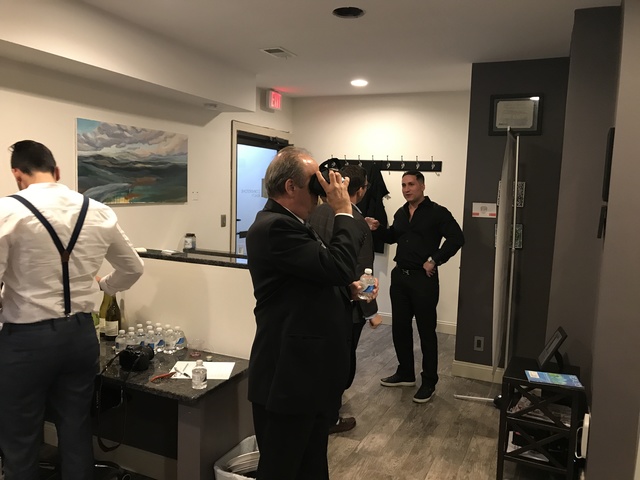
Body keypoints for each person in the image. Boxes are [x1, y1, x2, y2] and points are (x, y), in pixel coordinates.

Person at [0, 140, 144, 480]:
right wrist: (101, 285)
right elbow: (133, 269)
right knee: (76, 431)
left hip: (25, 341)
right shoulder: (98, 211)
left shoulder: (8, 210)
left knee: (21, 440)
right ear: (57, 171)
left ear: (17, 174)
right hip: (80, 335)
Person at [246, 146, 374, 480]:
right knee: (282, 469)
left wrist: (342, 289)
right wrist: (344, 209)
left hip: (308, 378)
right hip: (287, 379)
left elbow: (313, 275)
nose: (322, 190)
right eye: (314, 183)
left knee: (312, 467)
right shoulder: (274, 227)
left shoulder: (294, 223)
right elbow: (339, 264)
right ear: (290, 187)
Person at [367, 170, 464, 403]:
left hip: (423, 280)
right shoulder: (401, 213)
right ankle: (406, 373)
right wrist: (377, 227)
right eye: (403, 185)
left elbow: (457, 238)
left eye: (411, 184)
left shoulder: (438, 213)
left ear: (422, 186)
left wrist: (435, 259)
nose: (407, 189)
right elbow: (392, 236)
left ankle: (429, 381)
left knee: (426, 331)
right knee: (399, 328)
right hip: (400, 277)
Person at [308, 164, 382, 434]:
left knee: (319, 362)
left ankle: (320, 411)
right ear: (360, 190)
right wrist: (371, 312)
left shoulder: (314, 212)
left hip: (317, 301)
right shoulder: (355, 220)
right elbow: (363, 272)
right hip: (346, 305)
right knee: (341, 365)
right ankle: (331, 417)